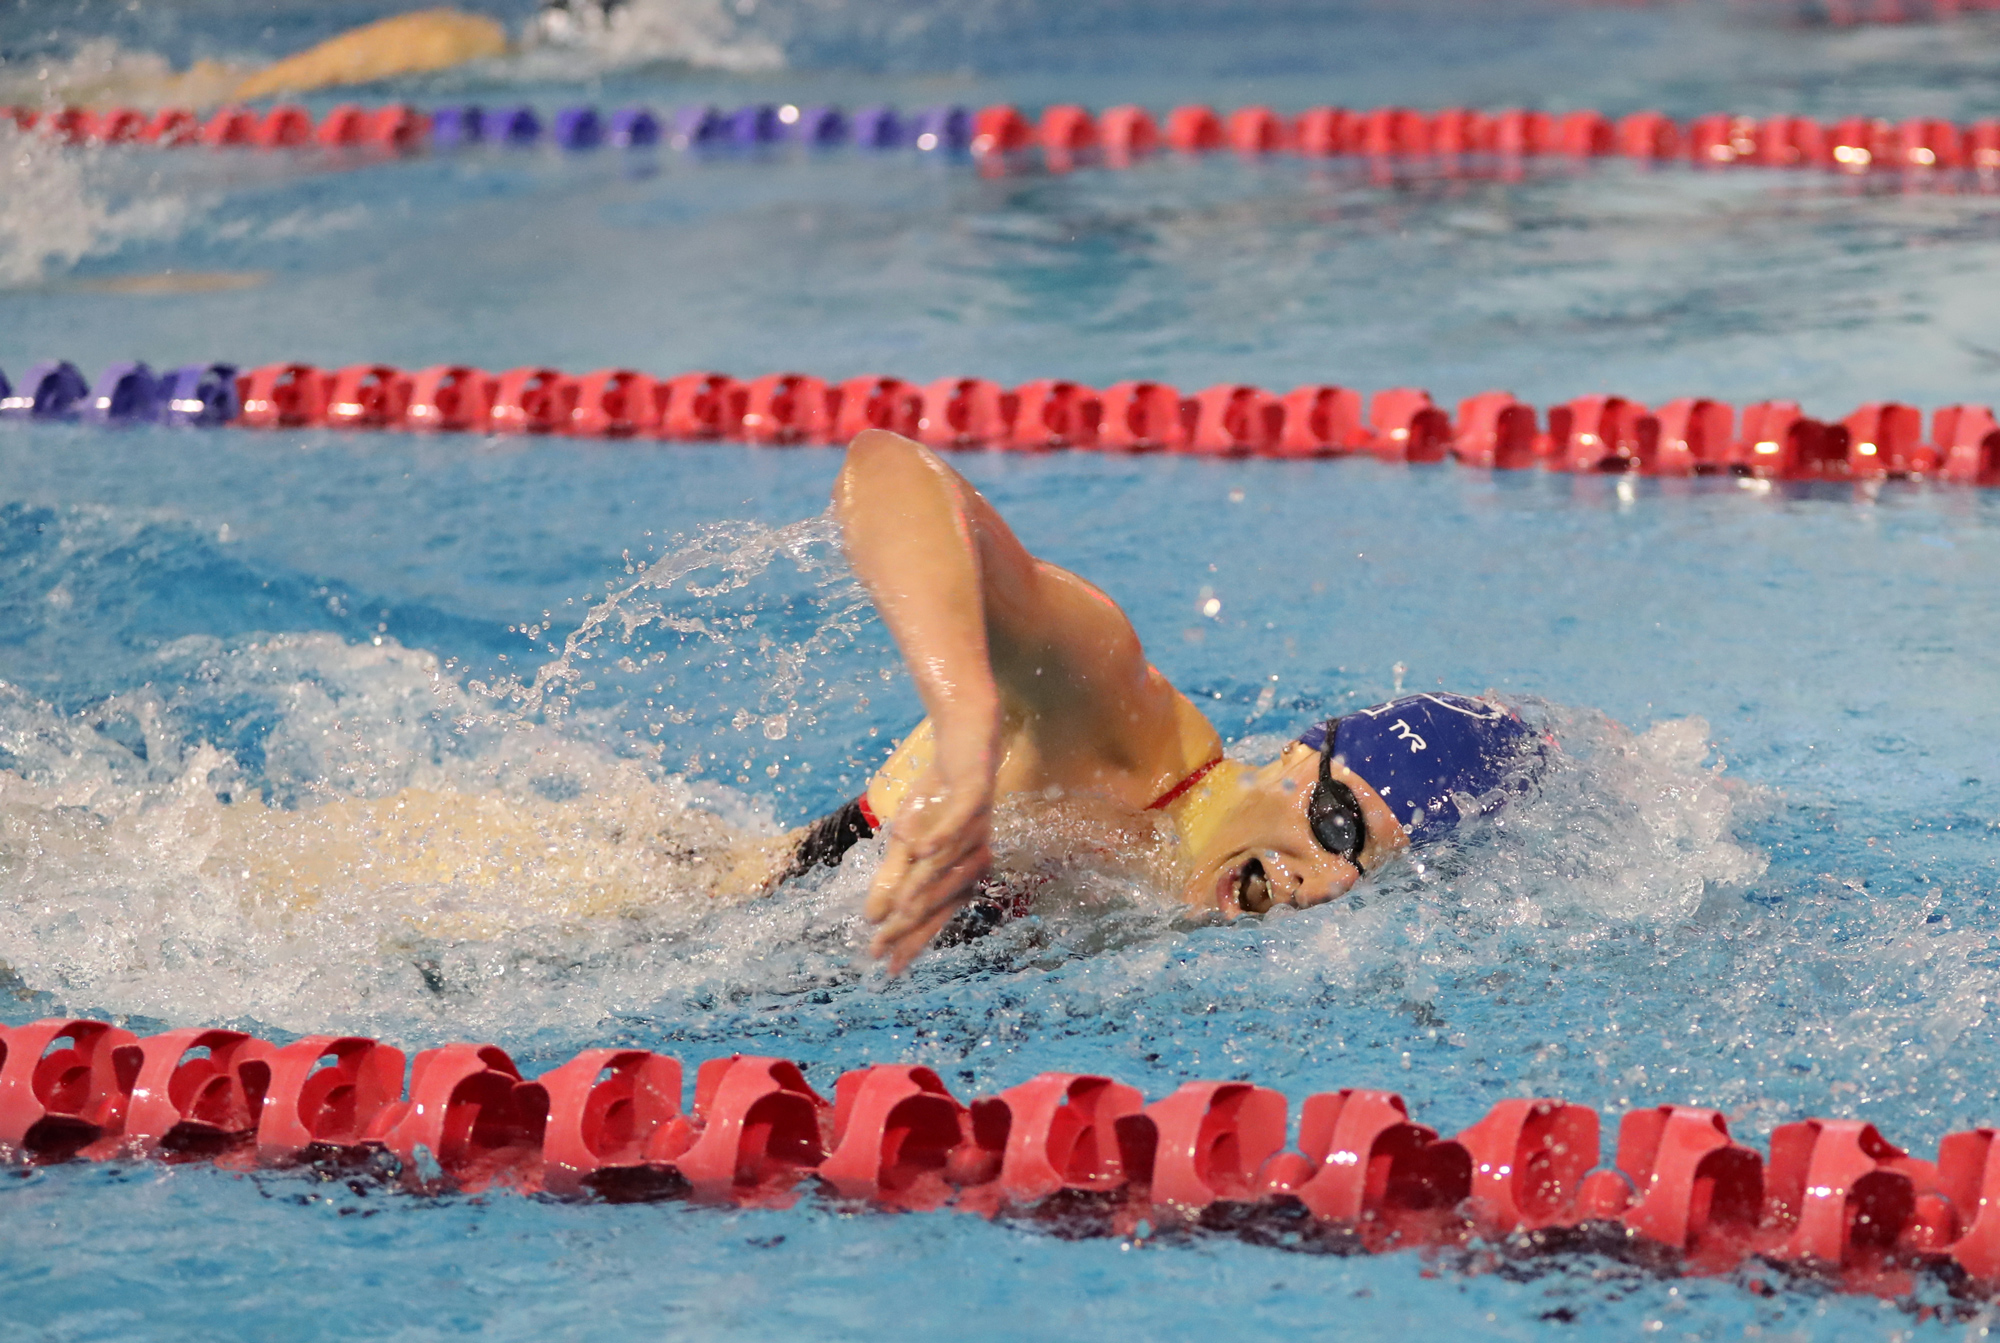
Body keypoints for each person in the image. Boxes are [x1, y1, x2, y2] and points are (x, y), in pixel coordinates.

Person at [790, 429, 1543, 973]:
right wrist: (965, 721)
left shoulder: (1167, 921)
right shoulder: (1114, 722)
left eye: (1372, 877)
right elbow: (887, 469)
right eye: (1339, 825)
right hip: (699, 902)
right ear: (1296, 756)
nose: (1333, 884)